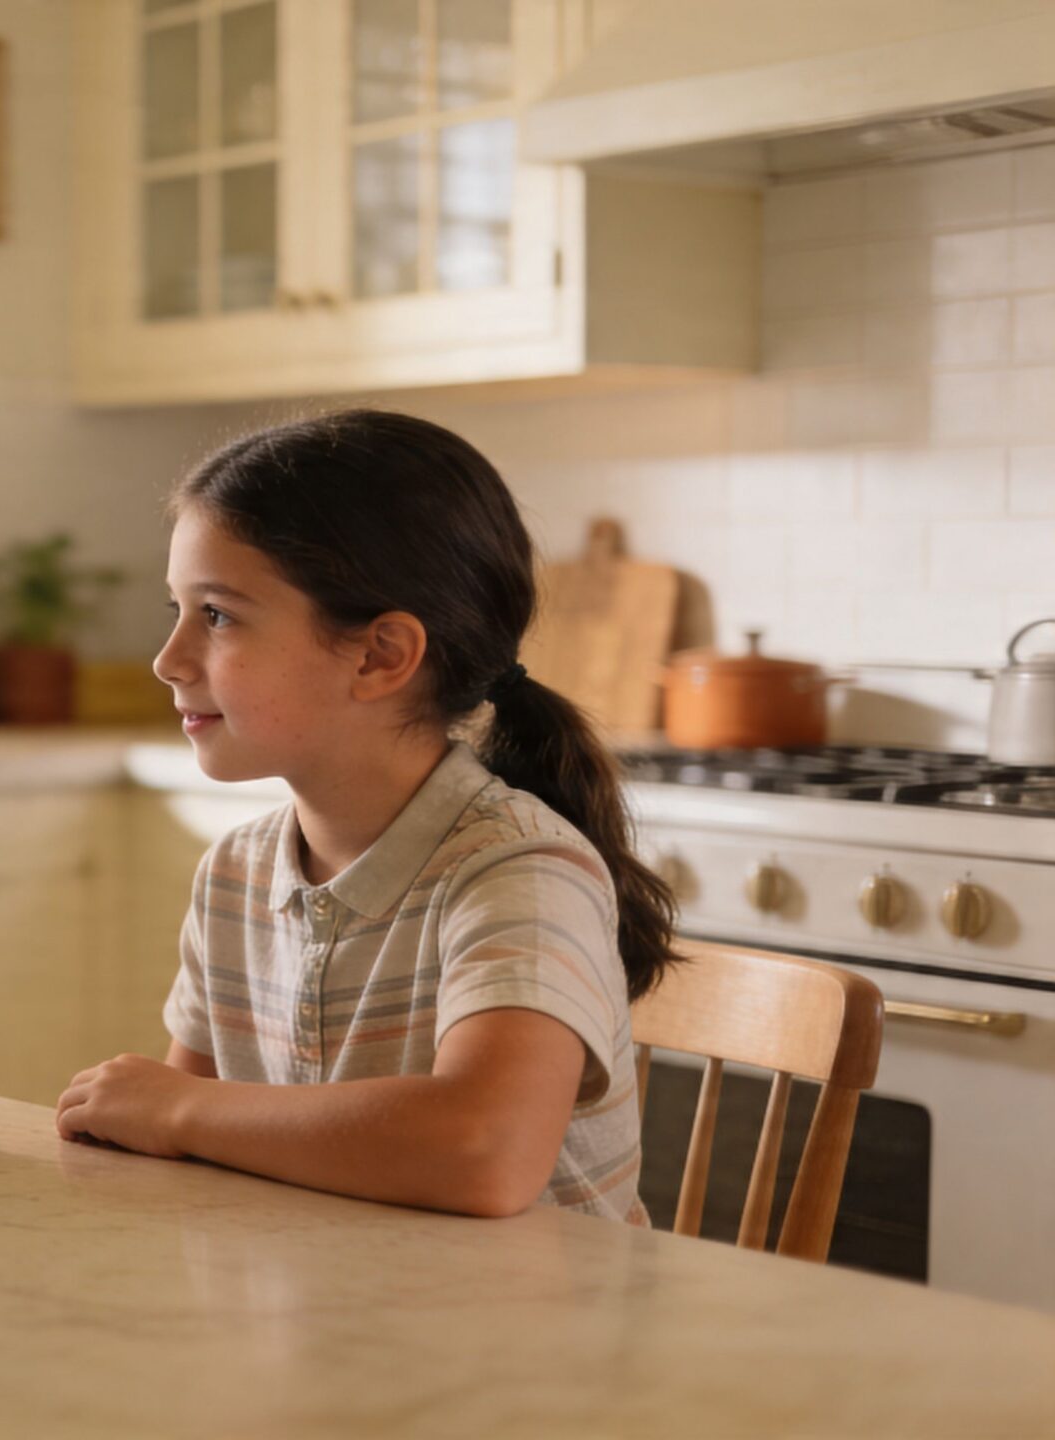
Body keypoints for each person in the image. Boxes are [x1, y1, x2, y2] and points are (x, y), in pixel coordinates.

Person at [54, 410, 675, 1221]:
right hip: (328, 1295)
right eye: (177, 609)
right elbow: (179, 1157)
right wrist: (162, 1119)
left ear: (381, 656)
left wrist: (177, 1109)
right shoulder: (235, 874)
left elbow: (485, 1151)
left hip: (525, 1308)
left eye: (218, 615)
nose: (167, 661)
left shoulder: (516, 871)